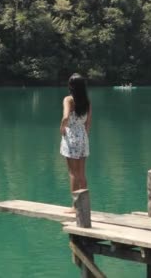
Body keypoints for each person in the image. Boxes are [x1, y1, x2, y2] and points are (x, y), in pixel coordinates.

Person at [59, 73, 91, 212]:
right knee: (82, 174)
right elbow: (88, 123)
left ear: (70, 86)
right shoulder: (87, 101)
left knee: (72, 173)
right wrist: (83, 136)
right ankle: (84, 205)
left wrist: (62, 127)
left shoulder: (68, 100)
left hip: (71, 136)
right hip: (83, 137)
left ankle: (75, 206)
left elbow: (66, 116)